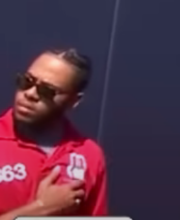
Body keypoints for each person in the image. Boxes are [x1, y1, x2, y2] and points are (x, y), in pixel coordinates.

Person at [0, 49, 107, 218]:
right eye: (27, 81)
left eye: (47, 91)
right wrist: (41, 209)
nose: (30, 94)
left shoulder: (90, 155)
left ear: (74, 100)